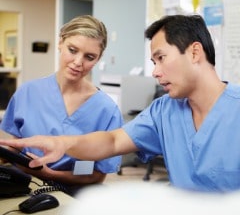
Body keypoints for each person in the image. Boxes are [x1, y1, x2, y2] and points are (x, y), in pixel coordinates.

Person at [1, 14, 239, 192]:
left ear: (194, 53)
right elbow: (113, 140)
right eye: (153, 61)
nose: (155, 72)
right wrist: (62, 143)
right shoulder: (163, 110)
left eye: (161, 58)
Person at [0, 15, 124, 195]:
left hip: (74, 194)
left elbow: (96, 176)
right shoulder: (27, 92)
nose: (78, 62)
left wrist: (50, 174)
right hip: (22, 188)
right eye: (72, 50)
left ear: (98, 58)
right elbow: (15, 147)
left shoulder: (107, 110)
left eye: (89, 57)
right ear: (60, 42)